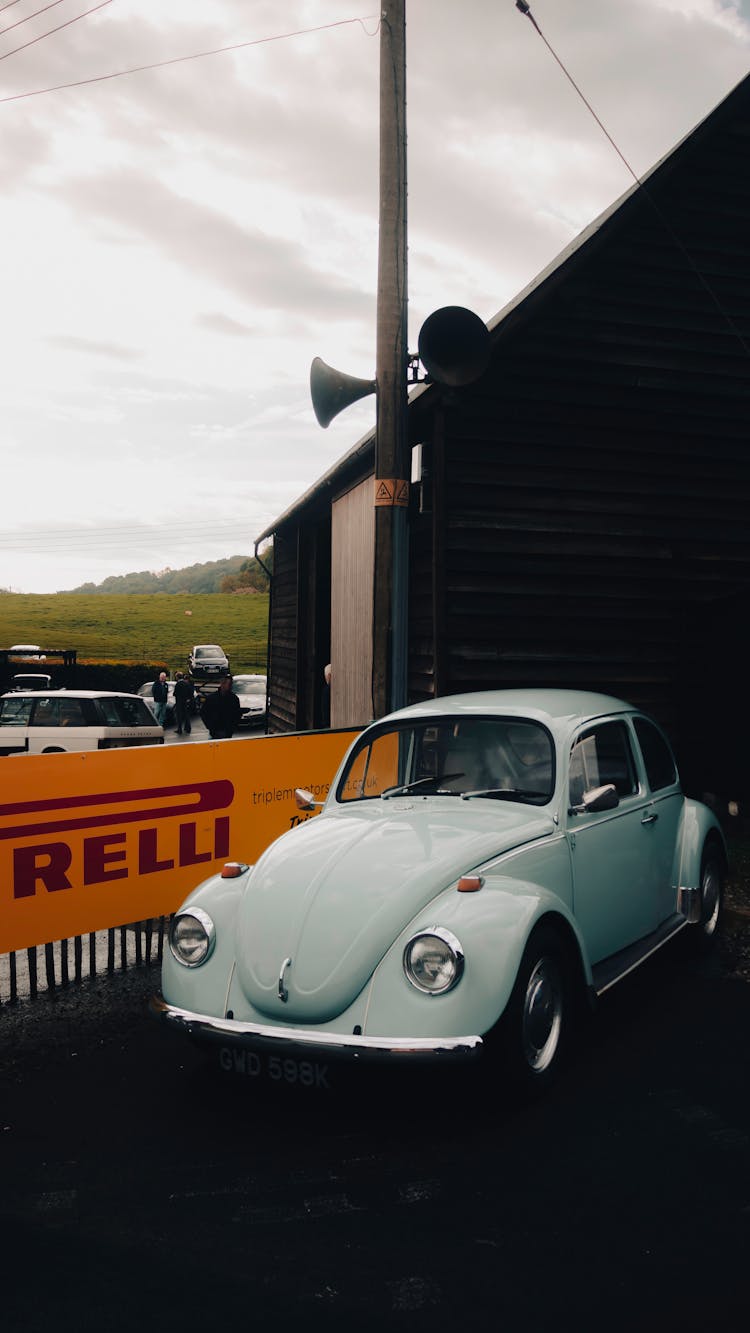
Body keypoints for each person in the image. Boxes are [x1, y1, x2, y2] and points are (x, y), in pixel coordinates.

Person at [200, 675, 241, 739]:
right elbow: (203, 712)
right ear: (222, 684)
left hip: (227, 732)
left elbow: (237, 714)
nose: (231, 686)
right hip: (215, 731)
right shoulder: (211, 698)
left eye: (231, 684)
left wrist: (232, 728)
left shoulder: (234, 699)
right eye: (229, 684)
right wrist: (210, 726)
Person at [173, 670, 195, 735]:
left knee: (179, 716)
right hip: (186, 702)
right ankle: (188, 728)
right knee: (186, 715)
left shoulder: (178, 684)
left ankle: (179, 729)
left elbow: (175, 693)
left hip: (179, 702)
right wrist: (188, 699)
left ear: (177, 677)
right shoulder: (187, 683)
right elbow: (191, 692)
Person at [321, 662, 331, 727]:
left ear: (329, 676)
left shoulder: (327, 690)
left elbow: (325, 710)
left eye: (326, 676)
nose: (325, 679)